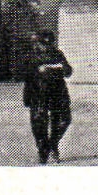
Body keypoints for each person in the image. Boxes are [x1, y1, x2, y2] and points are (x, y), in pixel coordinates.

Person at [23, 30, 73, 164]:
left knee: (64, 119)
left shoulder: (57, 54)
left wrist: (62, 68)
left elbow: (68, 71)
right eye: (44, 43)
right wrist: (37, 70)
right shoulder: (31, 55)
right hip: (38, 92)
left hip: (57, 92)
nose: (47, 46)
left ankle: (53, 144)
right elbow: (22, 72)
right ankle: (43, 151)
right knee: (39, 122)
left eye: (50, 43)